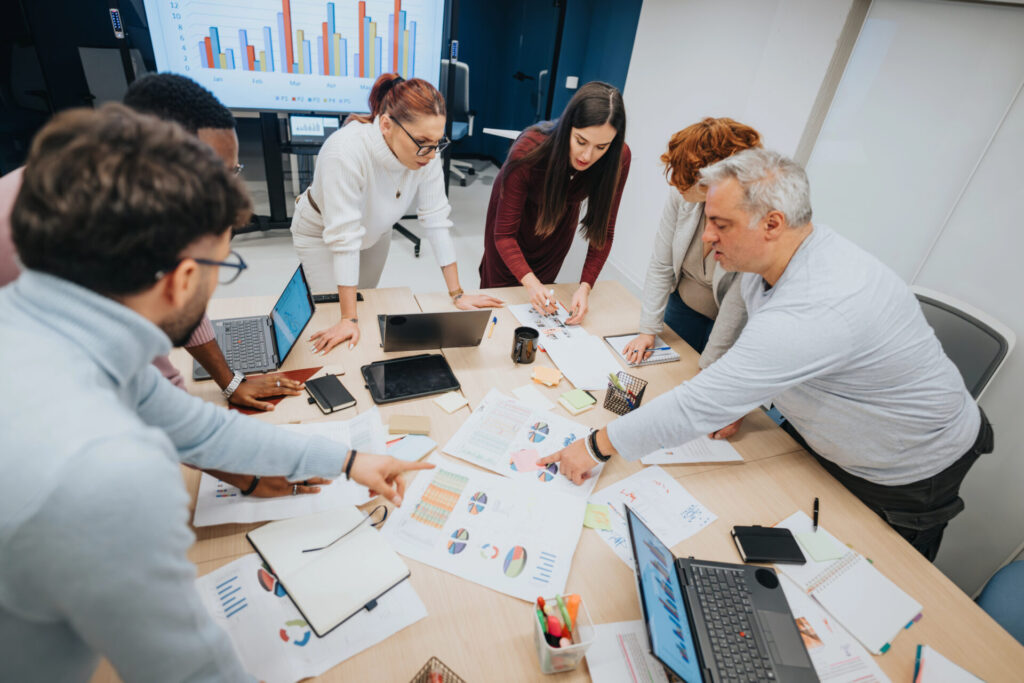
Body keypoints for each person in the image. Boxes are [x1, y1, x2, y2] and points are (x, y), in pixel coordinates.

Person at [0, 104, 432, 681]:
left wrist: (351, 461)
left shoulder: (48, 327)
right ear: (181, 280)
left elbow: (199, 427)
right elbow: (189, 670)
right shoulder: (108, 470)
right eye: (221, 265)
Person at [542, 148, 993, 561]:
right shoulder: (773, 262)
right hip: (834, 437)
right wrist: (743, 395)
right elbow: (766, 362)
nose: (706, 237)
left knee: (866, 571)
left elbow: (700, 403)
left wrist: (595, 447)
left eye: (721, 224)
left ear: (772, 224)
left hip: (909, 468)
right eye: (707, 220)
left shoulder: (819, 300)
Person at [0, 73, 299, 414]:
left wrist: (229, 383)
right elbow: (161, 400)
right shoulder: (91, 237)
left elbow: (182, 307)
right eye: (215, 174)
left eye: (232, 172)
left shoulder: (135, 190)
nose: (226, 189)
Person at [291, 73, 502, 354]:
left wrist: (458, 294)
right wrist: (346, 318)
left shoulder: (426, 153)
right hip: (322, 234)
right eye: (423, 141)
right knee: (336, 318)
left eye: (438, 142)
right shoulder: (345, 152)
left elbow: (437, 220)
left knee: (365, 305)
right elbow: (344, 240)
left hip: (376, 230)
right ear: (387, 125)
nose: (430, 154)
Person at [479, 81, 630, 323]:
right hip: (513, 225)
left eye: (601, 146)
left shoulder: (618, 158)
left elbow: (603, 232)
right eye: (581, 141)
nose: (587, 156)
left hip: (557, 224)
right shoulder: (529, 149)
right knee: (500, 302)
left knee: (538, 303)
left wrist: (585, 287)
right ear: (568, 127)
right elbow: (504, 236)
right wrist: (530, 282)